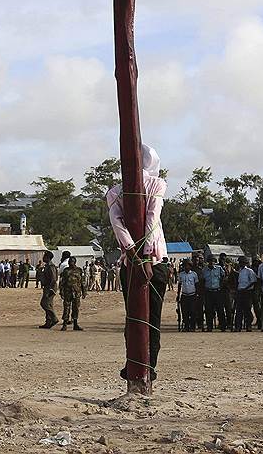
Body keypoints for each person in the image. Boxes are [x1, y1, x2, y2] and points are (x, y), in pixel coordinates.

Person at [106, 144, 168, 382]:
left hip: (130, 262)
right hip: (155, 261)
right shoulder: (156, 185)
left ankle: (134, 363)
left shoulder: (115, 192)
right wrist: (146, 256)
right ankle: (147, 366)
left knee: (133, 316)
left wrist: (133, 254)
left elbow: (117, 225)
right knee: (151, 319)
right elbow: (153, 218)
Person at [59, 256, 86, 331]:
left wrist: (84, 291)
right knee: (66, 308)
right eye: (69, 262)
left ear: (75, 262)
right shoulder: (65, 271)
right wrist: (61, 292)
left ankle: (75, 324)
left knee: (76, 308)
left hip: (77, 292)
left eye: (72, 262)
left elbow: (82, 281)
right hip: (67, 292)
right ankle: (64, 324)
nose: (70, 263)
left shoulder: (79, 270)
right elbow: (62, 282)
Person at [202, 255, 226, 332]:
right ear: (207, 262)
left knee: (220, 310)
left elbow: (224, 277)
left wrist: (221, 286)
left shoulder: (219, 269)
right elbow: (203, 281)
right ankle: (209, 327)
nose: (211, 262)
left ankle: (222, 326)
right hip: (208, 292)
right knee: (208, 310)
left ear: (215, 262)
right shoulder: (204, 270)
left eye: (213, 261)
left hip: (218, 292)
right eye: (210, 261)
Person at [234, 257, 257, 332]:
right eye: (240, 262)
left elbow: (253, 281)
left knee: (247, 310)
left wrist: (246, 288)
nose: (240, 264)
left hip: (247, 292)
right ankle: (238, 326)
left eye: (242, 262)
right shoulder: (238, 271)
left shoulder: (249, 271)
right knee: (239, 310)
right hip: (240, 292)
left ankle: (248, 326)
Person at [177, 259, 199, 332]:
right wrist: (178, 295)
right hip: (184, 295)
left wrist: (197, 294)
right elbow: (179, 285)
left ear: (190, 266)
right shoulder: (181, 274)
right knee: (184, 311)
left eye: (188, 265)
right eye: (185, 265)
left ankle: (192, 326)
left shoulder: (194, 274)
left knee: (192, 311)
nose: (186, 267)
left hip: (192, 295)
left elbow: (196, 285)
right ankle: (186, 326)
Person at [39, 251, 59, 329]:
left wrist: (51, 289)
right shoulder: (47, 266)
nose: (43, 258)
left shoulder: (51, 266)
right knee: (49, 304)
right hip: (47, 287)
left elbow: (53, 279)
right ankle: (48, 321)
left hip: (50, 287)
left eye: (45, 256)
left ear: (48, 258)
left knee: (44, 303)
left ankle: (54, 319)